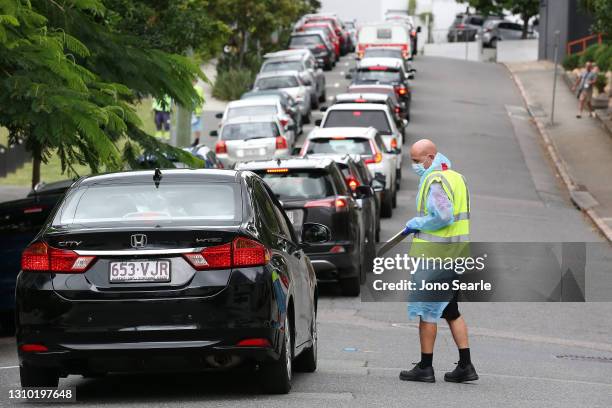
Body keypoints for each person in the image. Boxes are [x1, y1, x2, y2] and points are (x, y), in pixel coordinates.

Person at [399, 139, 478, 384]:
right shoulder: (456, 177)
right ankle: (466, 365)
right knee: (451, 310)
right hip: (455, 254)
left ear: (431, 158)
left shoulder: (436, 180)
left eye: (416, 161)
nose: (414, 166)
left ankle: (425, 367)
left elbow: (443, 216)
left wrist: (418, 223)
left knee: (428, 311)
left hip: (436, 257)